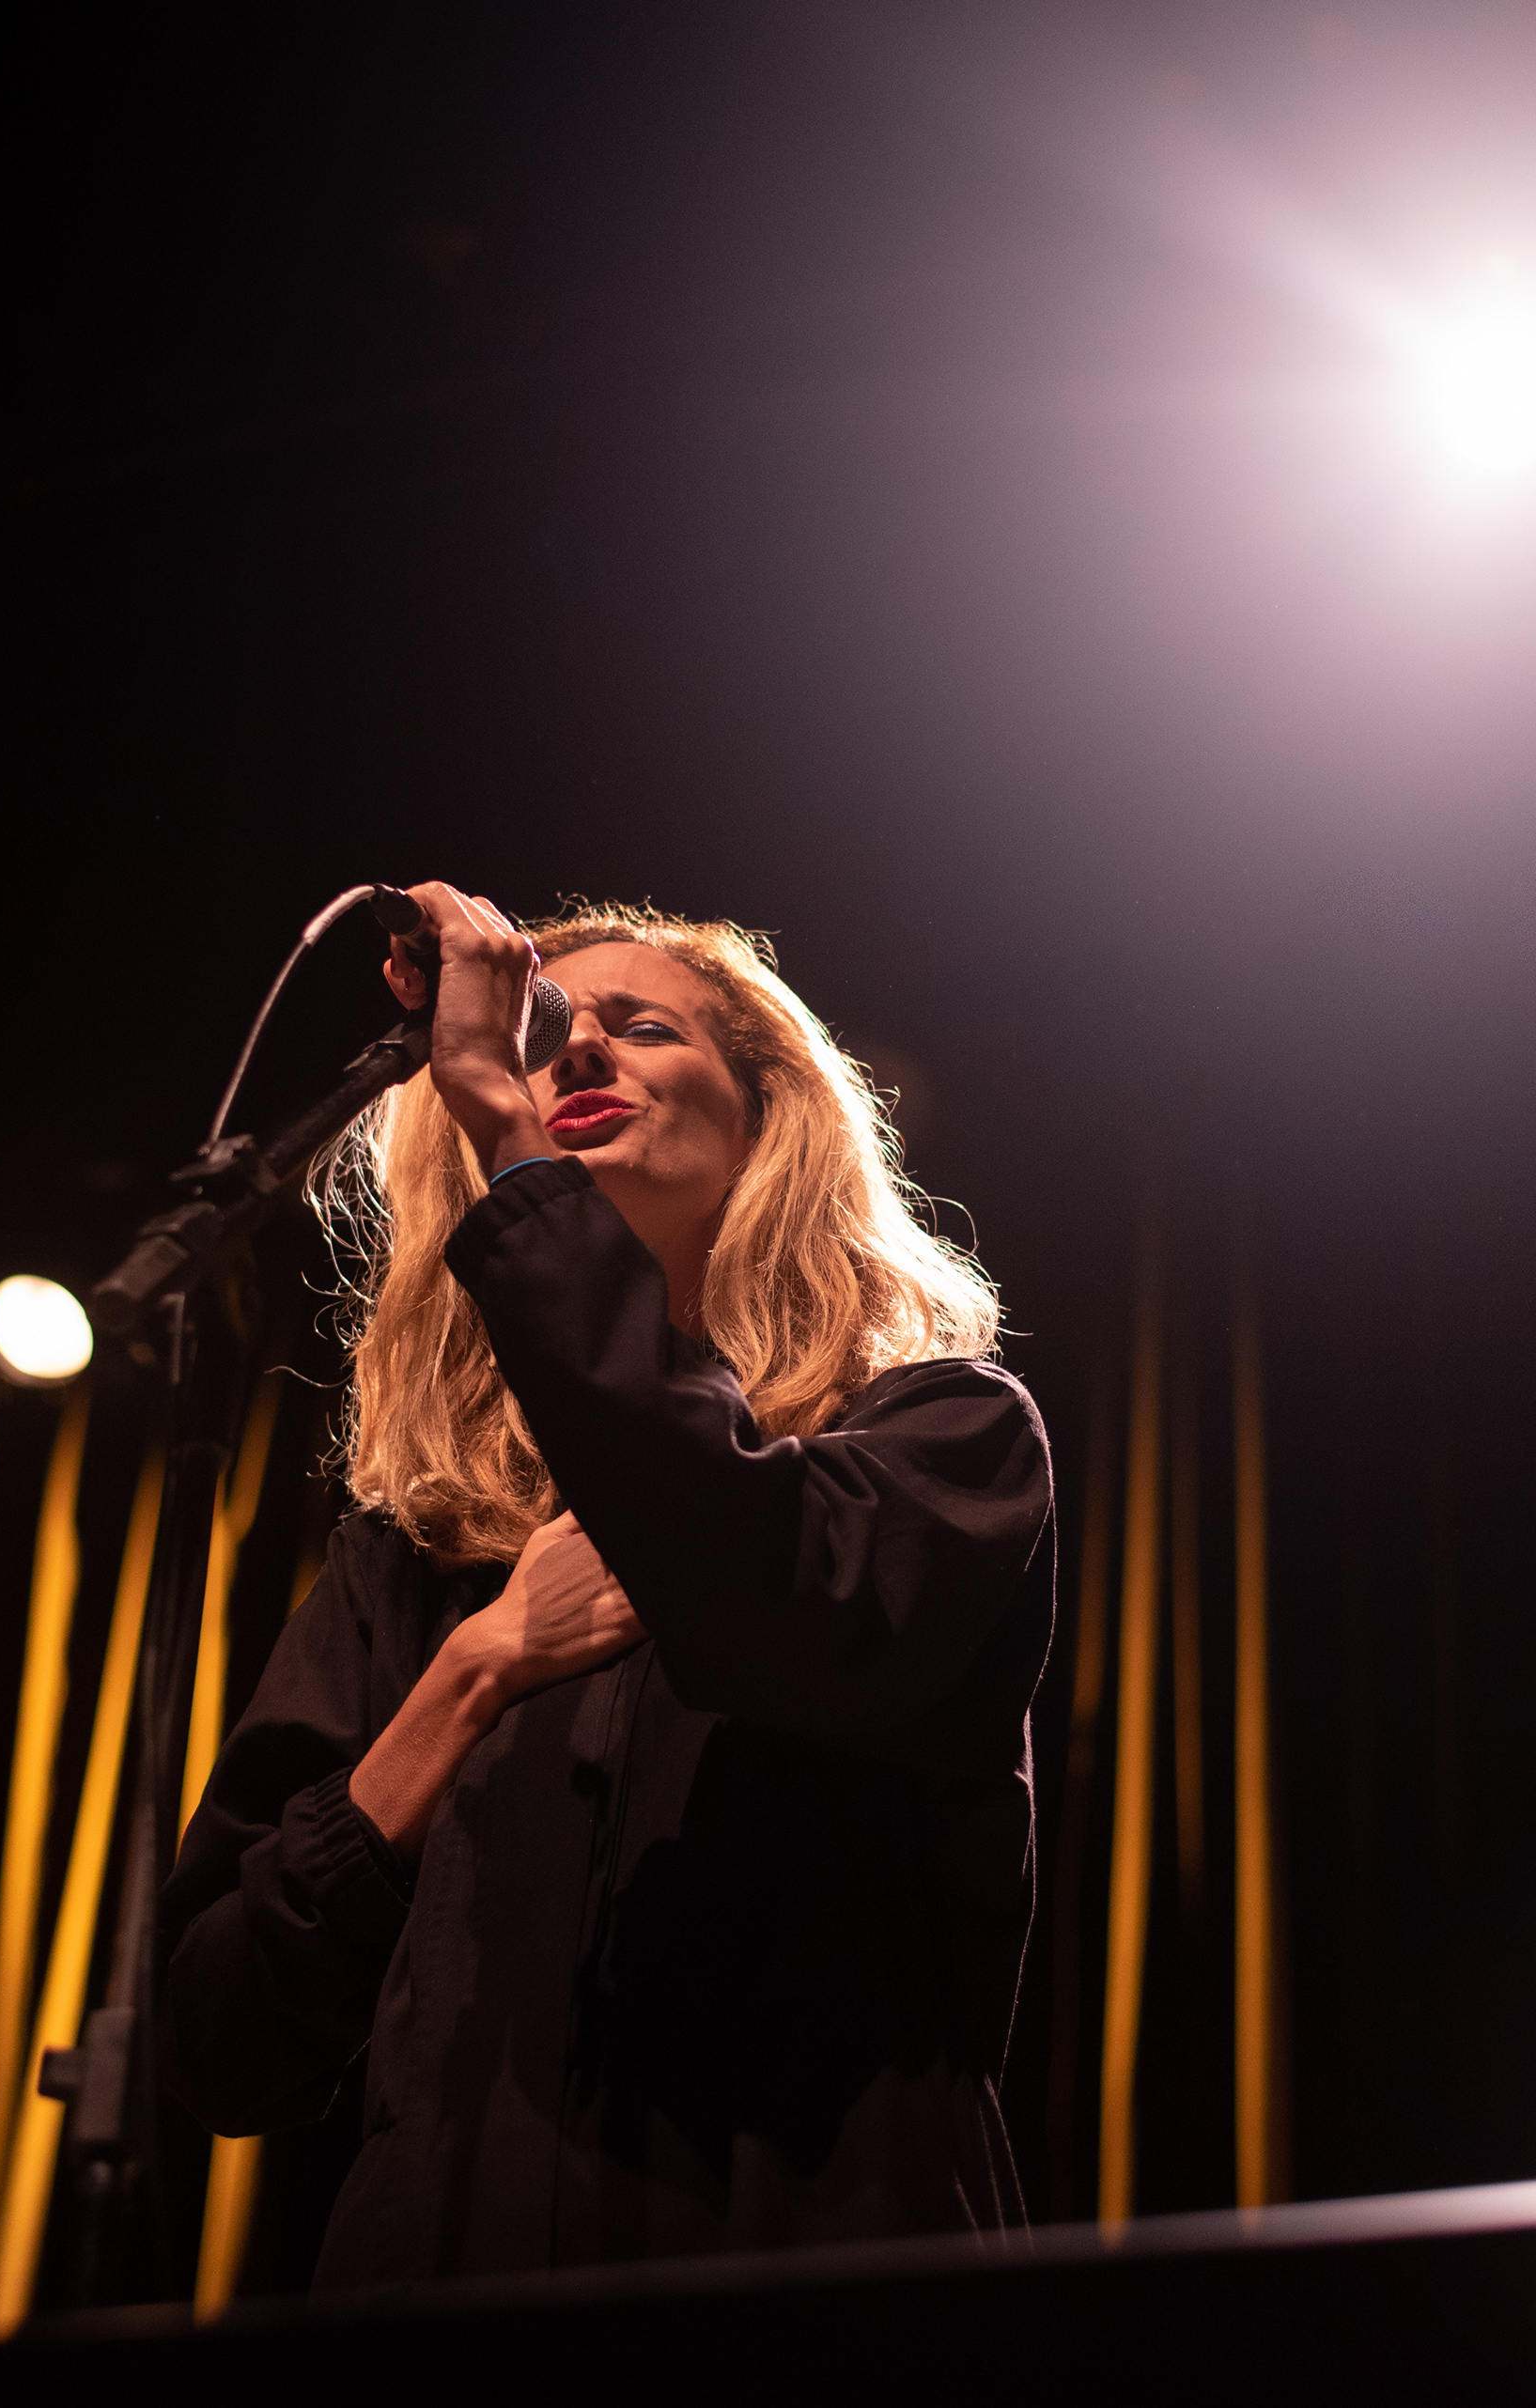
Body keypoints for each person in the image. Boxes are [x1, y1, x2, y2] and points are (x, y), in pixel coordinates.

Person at [161, 884, 1055, 2284]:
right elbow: (219, 2042)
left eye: (643, 1029)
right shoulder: (415, 1560)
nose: (575, 1051)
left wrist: (514, 1136)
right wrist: (471, 1676)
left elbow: (753, 1587)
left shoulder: (944, 1443)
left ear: (767, 1123)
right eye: (542, 1036)